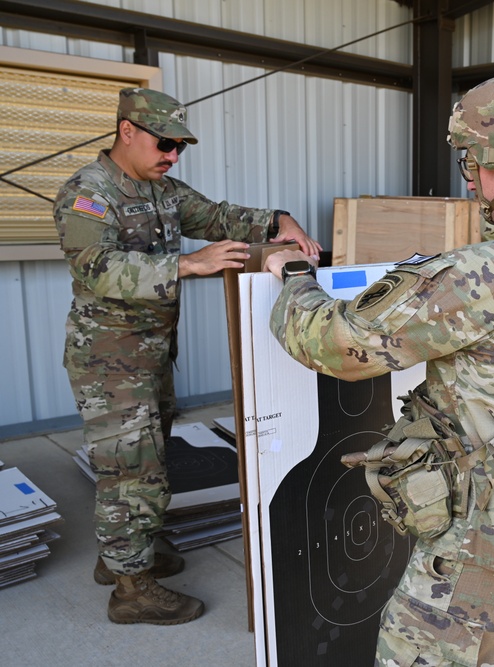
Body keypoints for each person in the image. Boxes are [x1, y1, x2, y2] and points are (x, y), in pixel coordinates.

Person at [264, 71, 494, 666]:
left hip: (483, 553)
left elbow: (337, 342)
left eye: (470, 163)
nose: (470, 180)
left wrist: (292, 278)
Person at [54, 87, 321, 625]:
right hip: (109, 359)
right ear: (127, 131)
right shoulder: (87, 193)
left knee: (149, 459)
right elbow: (97, 269)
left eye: (180, 147)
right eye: (165, 143)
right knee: (130, 472)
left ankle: (123, 559)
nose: (173, 155)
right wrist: (188, 265)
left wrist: (278, 221)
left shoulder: (162, 188)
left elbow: (216, 216)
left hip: (151, 354)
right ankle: (130, 591)